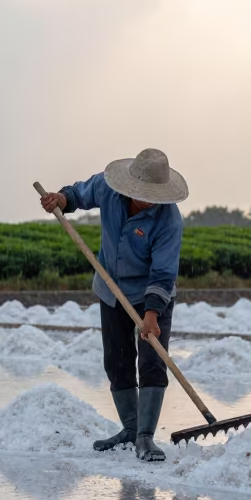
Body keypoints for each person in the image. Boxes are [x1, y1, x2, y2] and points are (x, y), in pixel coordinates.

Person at [40, 147, 188, 462]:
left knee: (151, 362)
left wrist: (151, 316)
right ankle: (130, 430)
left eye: (153, 195)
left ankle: (146, 437)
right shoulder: (107, 188)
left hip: (152, 296)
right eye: (143, 193)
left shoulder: (168, 220)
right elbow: (78, 195)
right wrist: (61, 200)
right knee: (117, 361)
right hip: (111, 289)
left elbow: (163, 273)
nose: (148, 199)